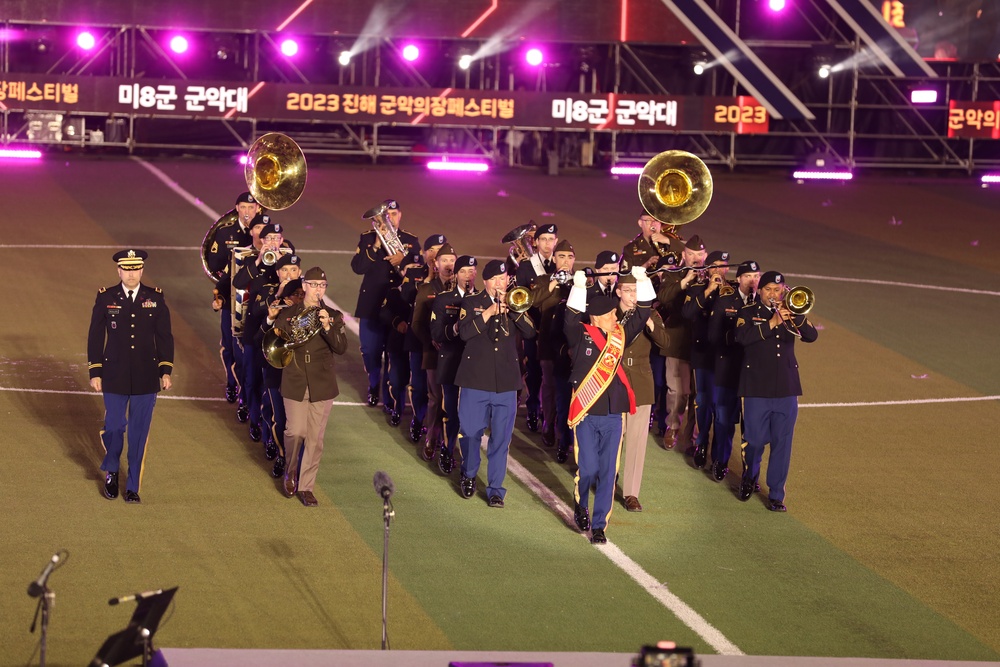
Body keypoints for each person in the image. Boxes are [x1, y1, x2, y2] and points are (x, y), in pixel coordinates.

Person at [564, 266, 654, 543]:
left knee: (608, 472)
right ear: (597, 317)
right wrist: (578, 289)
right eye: (612, 314)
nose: (617, 316)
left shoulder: (619, 335)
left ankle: (600, 525)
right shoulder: (579, 336)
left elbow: (643, 312)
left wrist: (643, 280)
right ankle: (582, 505)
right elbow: (569, 318)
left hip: (614, 413)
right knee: (588, 468)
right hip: (587, 414)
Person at [88, 249, 174, 504]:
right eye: (127, 269)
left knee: (138, 433)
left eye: (136, 269)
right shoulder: (106, 297)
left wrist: (165, 370)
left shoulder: (155, 298)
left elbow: (164, 337)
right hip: (114, 375)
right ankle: (112, 471)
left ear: (142, 270)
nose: (131, 273)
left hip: (147, 377)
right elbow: (95, 335)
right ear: (119, 271)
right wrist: (95, 371)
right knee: (114, 426)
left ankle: (133, 487)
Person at [734, 270, 818, 512]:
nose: (773, 294)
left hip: (786, 388)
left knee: (783, 442)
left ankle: (776, 494)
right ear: (759, 291)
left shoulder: (792, 313)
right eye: (768, 289)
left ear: (784, 291)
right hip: (756, 387)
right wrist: (772, 323)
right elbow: (742, 338)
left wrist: (796, 316)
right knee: (754, 441)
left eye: (777, 290)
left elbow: (812, 336)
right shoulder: (747, 313)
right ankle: (750, 476)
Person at [455, 260, 536, 508]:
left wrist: (514, 310)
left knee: (501, 439)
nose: (502, 283)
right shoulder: (471, 302)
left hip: (506, 384)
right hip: (475, 381)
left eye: (504, 278)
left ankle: (496, 490)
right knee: (470, 433)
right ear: (487, 281)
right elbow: (465, 333)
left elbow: (531, 332)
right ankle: (469, 474)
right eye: (497, 279)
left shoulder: (514, 303)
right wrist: (490, 312)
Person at [268, 267, 348, 507]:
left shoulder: (333, 315)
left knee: (315, 438)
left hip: (322, 383)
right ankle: (290, 471)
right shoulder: (289, 313)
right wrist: (272, 319)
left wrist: (326, 327)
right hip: (295, 377)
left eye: (322, 286)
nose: (318, 290)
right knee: (295, 432)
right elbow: (277, 341)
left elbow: (341, 347)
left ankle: (306, 486)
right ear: (304, 287)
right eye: (313, 285)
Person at [351, 199, 420, 409]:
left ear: (401, 215)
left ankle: (391, 399)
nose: (390, 219)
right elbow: (358, 267)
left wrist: (404, 260)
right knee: (370, 352)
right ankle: (373, 385)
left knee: (395, 355)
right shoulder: (367, 239)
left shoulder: (411, 240)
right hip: (371, 305)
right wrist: (377, 245)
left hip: (397, 307)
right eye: (385, 216)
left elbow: (419, 270)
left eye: (394, 214)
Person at [616, 274, 669, 512]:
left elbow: (665, 342)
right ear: (619, 292)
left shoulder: (652, 315)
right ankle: (606, 479)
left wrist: (648, 322)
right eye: (628, 291)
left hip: (641, 381)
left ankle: (631, 492)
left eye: (637, 291)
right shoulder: (607, 313)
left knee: (637, 442)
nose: (633, 296)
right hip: (614, 380)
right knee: (612, 437)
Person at [707, 260, 760, 481]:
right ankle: (720, 461)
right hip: (728, 370)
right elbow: (713, 336)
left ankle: (750, 474)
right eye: (748, 276)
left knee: (752, 427)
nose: (753, 280)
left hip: (753, 375)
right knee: (724, 420)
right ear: (738, 279)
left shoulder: (765, 306)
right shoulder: (726, 301)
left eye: (757, 276)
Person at [656, 234, 707, 451]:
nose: (695, 258)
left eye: (699, 254)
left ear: (705, 256)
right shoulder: (673, 273)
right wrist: (686, 280)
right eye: (691, 254)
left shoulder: (710, 276)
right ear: (684, 255)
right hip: (678, 340)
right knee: (677, 390)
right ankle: (673, 426)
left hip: (703, 344)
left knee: (699, 394)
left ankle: (693, 437)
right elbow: (664, 297)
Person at [205, 192, 257, 403]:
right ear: (237, 208)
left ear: (257, 210)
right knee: (230, 345)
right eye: (243, 207)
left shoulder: (264, 233)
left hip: (256, 299)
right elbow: (214, 264)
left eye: (251, 208)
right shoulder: (225, 233)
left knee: (251, 348)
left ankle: (249, 391)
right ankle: (232, 382)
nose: (247, 212)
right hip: (231, 297)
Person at [681, 250, 730, 468]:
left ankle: (719, 455)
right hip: (703, 355)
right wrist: (709, 289)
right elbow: (687, 313)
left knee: (722, 407)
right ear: (708, 269)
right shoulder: (698, 289)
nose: (721, 270)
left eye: (724, 265)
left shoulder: (732, 292)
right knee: (704, 402)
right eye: (716, 265)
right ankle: (701, 444)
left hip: (725, 357)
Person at [430, 254, 478, 474]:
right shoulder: (443, 299)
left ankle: (468, 456)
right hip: (451, 363)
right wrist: (458, 328)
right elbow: (437, 332)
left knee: (472, 414)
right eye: (464, 271)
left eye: (472, 271)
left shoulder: (482, 299)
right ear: (456, 274)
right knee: (451, 411)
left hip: (475, 365)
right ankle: (448, 450)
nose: (468, 275)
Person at [412, 242, 457, 459]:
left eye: (452, 261)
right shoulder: (426, 290)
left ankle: (449, 442)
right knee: (435, 397)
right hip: (433, 354)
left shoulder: (465, 290)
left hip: (457, 356)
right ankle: (431, 437)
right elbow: (417, 324)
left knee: (453, 400)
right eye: (444, 261)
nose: (449, 265)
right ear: (436, 265)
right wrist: (432, 342)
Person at [515, 223, 559, 432]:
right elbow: (523, 300)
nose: (548, 244)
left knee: (553, 375)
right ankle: (533, 408)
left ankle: (549, 414)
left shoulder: (562, 264)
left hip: (553, 331)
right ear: (536, 242)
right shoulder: (526, 267)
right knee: (533, 372)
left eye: (551, 240)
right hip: (534, 330)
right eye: (544, 239)